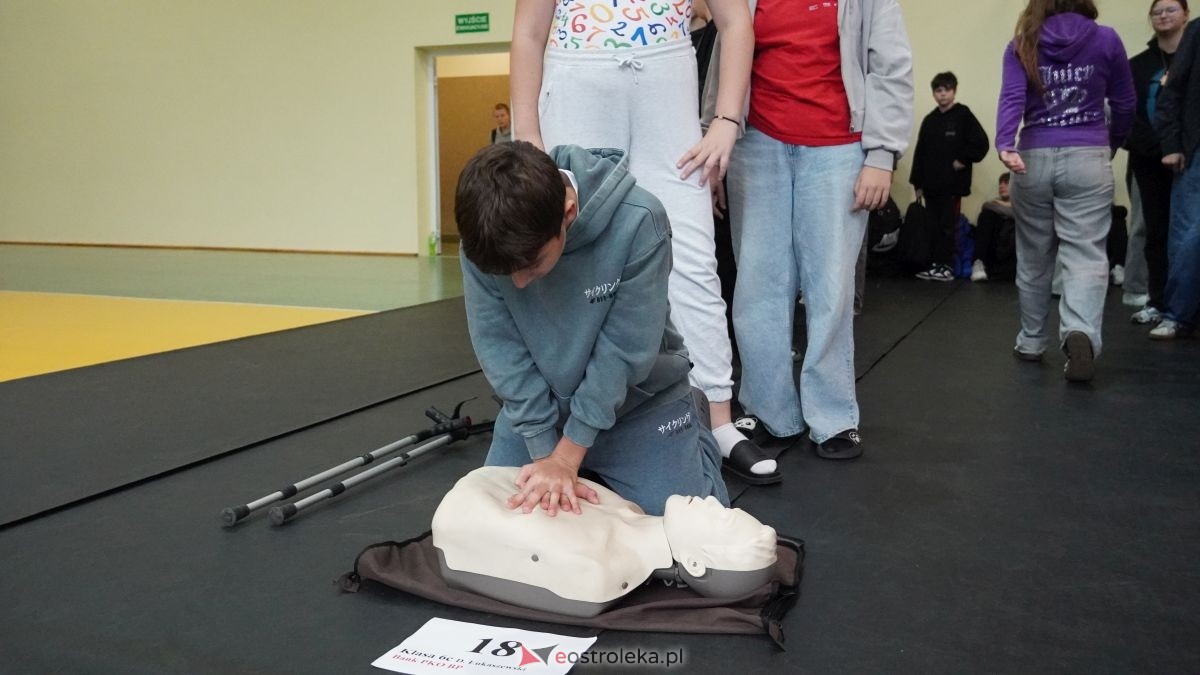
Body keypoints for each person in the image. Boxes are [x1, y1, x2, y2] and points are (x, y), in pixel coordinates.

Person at [509, 0, 781, 485]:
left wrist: (726, 120)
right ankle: (571, 423)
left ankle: (716, 419)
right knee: (575, 253)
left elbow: (736, 20)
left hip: (666, 84)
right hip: (576, 80)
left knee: (694, 259)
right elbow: (529, 32)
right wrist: (527, 132)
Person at [455, 141, 729, 518]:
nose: (519, 284)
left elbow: (623, 352)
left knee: (694, 530)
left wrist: (568, 458)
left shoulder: (639, 220)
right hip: (545, 410)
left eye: (532, 265)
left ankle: (694, 431)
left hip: (639, 404)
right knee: (487, 529)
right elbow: (500, 349)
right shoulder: (483, 242)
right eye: (506, 274)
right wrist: (544, 454)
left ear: (568, 214)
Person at [717, 0, 913, 460]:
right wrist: (717, 140)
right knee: (757, 286)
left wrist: (883, 155)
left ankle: (833, 418)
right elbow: (726, 55)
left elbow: (891, 68)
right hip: (756, 145)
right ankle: (769, 413)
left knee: (830, 288)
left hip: (838, 148)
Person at [996, 0, 1135, 382]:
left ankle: (1031, 341)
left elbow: (1011, 98)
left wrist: (1005, 142)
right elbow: (1125, 102)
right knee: (1086, 253)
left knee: (1033, 254)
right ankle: (1081, 333)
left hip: (1033, 155)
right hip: (1088, 153)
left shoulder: (1023, 42)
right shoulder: (1106, 39)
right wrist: (1112, 143)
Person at [432, 466, 777, 618]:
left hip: (465, 508)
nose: (714, 502)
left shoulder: (598, 570)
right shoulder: (628, 511)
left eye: (719, 519)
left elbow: (472, 518)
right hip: (486, 485)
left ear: (695, 564)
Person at [1126, 0, 1191, 326]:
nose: (1163, 15)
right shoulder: (1136, 65)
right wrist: (1160, 149)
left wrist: (1180, 149)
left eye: (1170, 9)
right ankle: (1158, 300)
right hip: (1149, 160)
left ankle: (1185, 308)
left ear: (1187, 16)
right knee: (1155, 233)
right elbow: (1126, 115)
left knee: (1188, 235)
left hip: (1190, 161)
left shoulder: (1194, 62)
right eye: (1157, 11)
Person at [910, 71, 991, 282]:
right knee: (933, 226)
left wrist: (963, 160)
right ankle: (936, 264)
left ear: (954, 91)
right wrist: (917, 182)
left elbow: (981, 143)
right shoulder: (930, 120)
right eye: (938, 90)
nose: (942, 94)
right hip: (931, 185)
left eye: (947, 90)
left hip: (952, 185)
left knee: (948, 226)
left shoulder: (963, 115)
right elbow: (920, 152)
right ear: (933, 93)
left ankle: (947, 266)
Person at [1151, 17, 1200, 339]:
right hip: (1196, 149)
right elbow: (1174, 89)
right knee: (1188, 237)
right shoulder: (1197, 31)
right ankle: (1177, 314)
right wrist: (1171, 143)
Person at [971, 173, 1018, 282]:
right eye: (1000, 184)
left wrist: (1010, 205)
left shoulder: (1025, 204)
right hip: (995, 248)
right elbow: (986, 205)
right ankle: (978, 263)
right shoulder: (993, 206)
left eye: (1006, 183)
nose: (1001, 186)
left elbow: (1021, 213)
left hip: (1014, 253)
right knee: (987, 215)